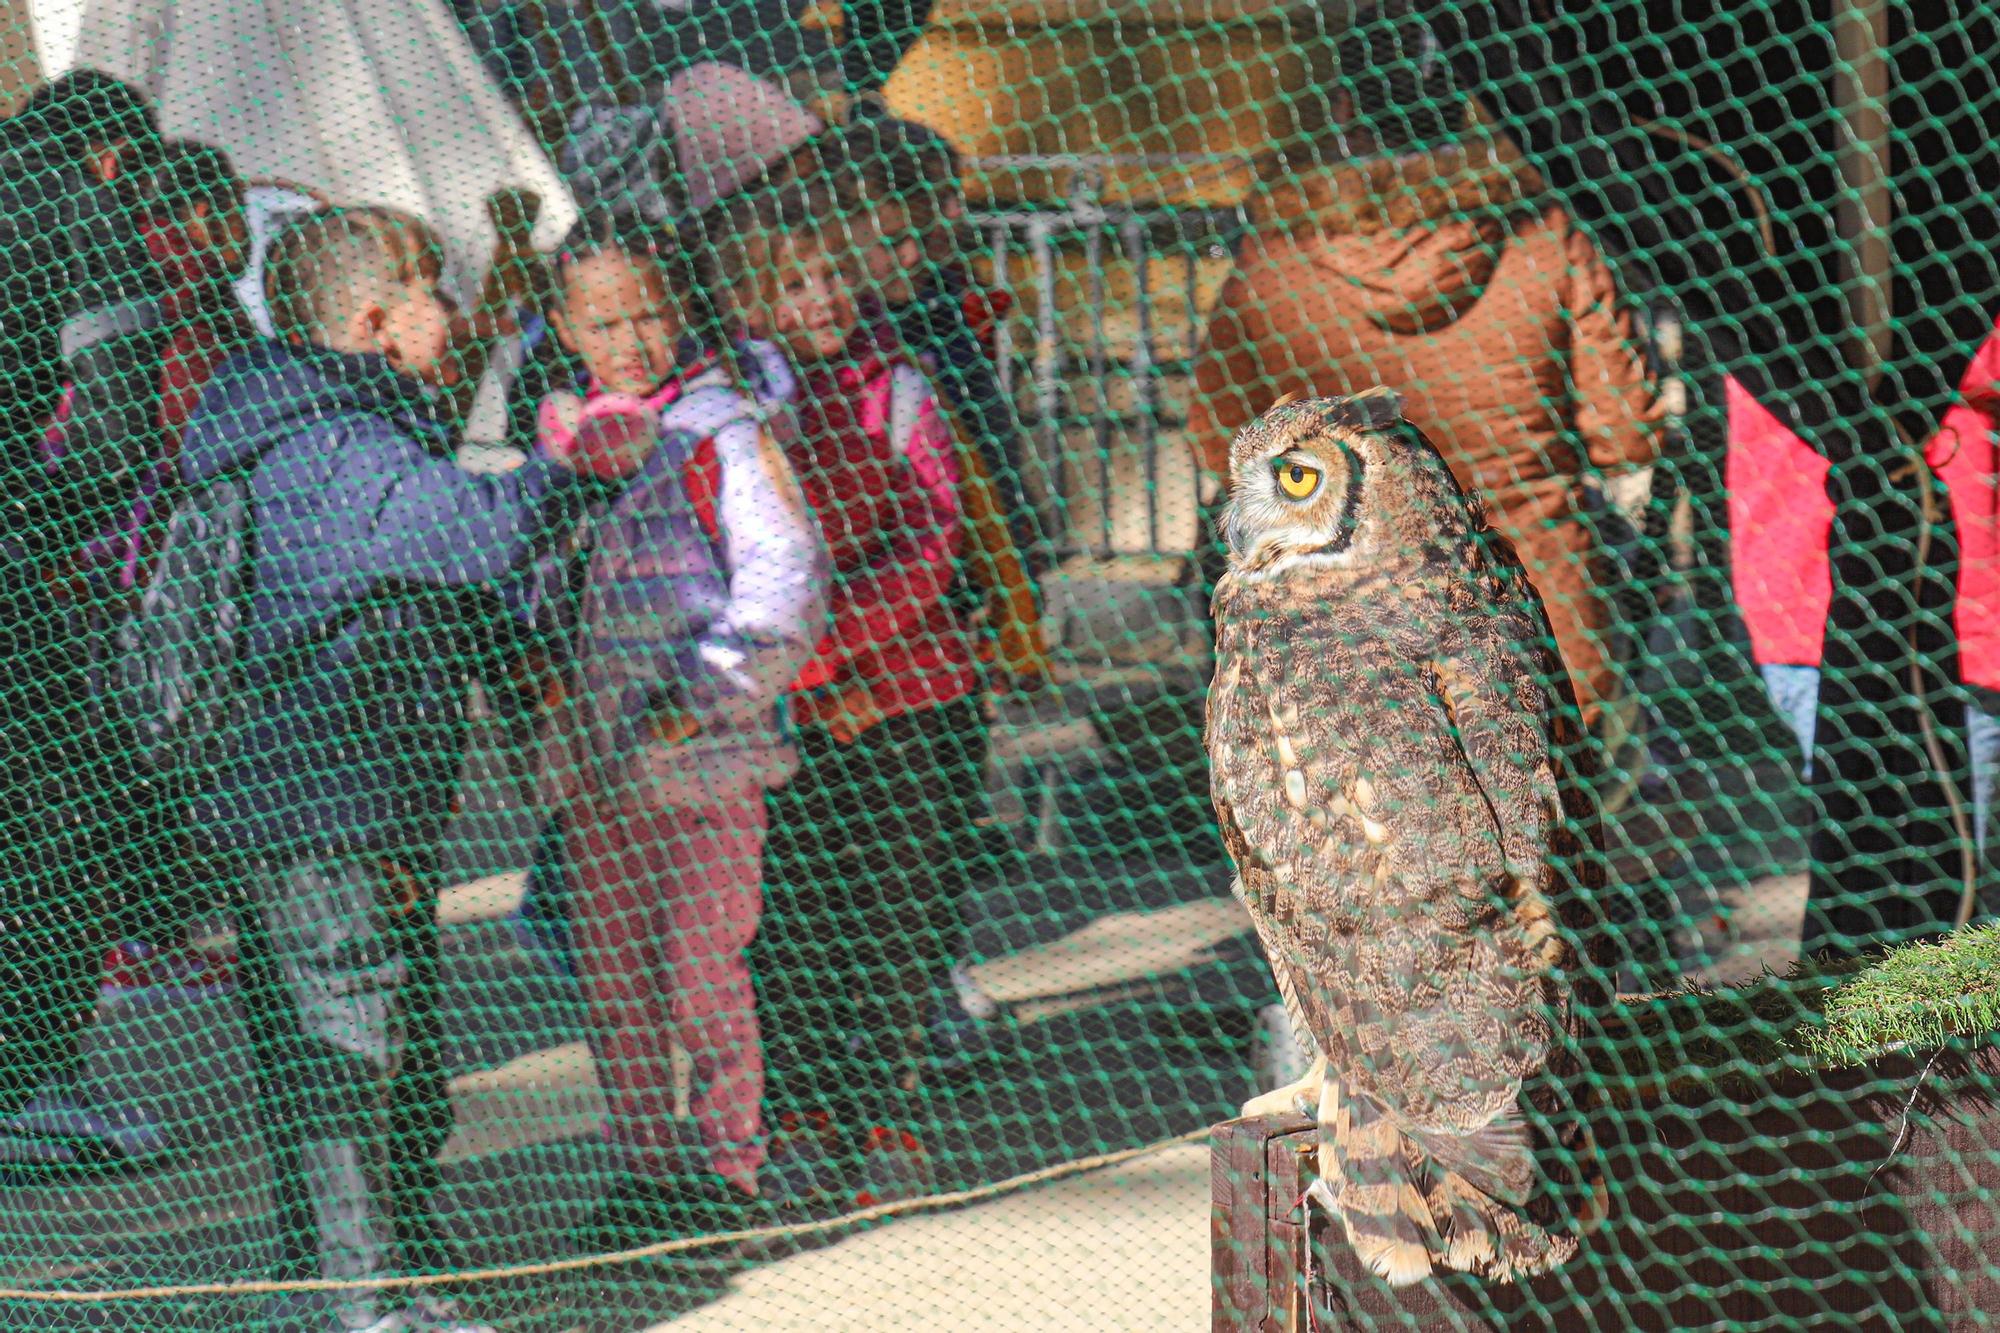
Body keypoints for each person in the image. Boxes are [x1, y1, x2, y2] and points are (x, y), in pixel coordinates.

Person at [176, 204, 582, 1333]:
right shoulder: (334, 447)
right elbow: (480, 535)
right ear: (371, 319)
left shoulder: (334, 414)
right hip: (320, 809)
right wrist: (567, 458)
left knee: (365, 1032)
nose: (452, 312)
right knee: (348, 1045)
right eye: (434, 292)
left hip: (344, 802)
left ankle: (353, 1280)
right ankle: (357, 1301)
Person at [1188, 31, 1662, 738]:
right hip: (1536, 614)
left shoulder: (1276, 254)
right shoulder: (1542, 231)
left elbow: (1215, 436)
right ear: (1471, 103)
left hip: (1341, 631)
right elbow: (1625, 431)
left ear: (1343, 106)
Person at [514, 218, 828, 1243]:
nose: (630, 339)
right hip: (592, 765)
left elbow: (782, 582)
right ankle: (648, 1174)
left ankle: (729, 1167)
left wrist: (704, 692)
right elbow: (524, 585)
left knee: (701, 968)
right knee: (614, 981)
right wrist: (528, 677)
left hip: (702, 759)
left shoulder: (724, 431)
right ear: (564, 328)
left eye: (648, 312)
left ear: (679, 307)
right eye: (602, 321)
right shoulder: (554, 445)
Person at [709, 172, 990, 1197]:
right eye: (792, 283)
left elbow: (928, 539)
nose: (819, 298)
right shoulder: (739, 402)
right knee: (792, 913)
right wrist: (803, 672)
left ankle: (884, 1109)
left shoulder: (900, 386)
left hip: (906, 697)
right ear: (749, 297)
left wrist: (835, 660)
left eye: (832, 274)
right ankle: (802, 1104)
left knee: (896, 912)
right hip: (788, 704)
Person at [0, 70, 166, 1132]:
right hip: (12, 562)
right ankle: (32, 1082)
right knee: (51, 811)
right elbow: (114, 429)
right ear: (112, 158)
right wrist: (36, 522)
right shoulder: (71, 201)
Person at [1728, 317, 2000, 913]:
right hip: (1953, 617)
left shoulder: (1765, 298)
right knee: (1955, 877)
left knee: (1887, 850)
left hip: (1799, 601)